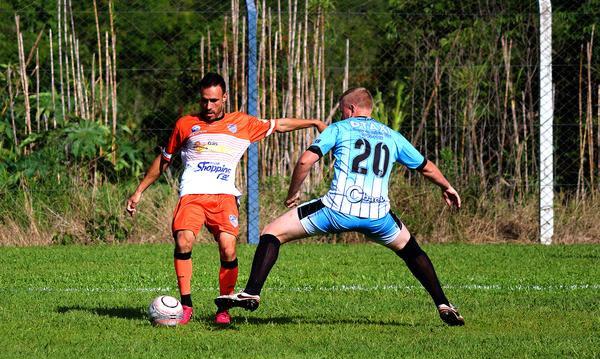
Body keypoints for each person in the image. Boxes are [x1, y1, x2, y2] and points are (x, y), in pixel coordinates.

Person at [215, 87, 465, 326]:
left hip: (336, 210)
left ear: (352, 108)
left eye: (343, 110)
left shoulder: (340, 128)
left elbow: (305, 161)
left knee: (272, 232)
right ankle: (443, 304)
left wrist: (293, 193)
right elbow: (426, 167)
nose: (342, 115)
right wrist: (447, 187)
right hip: (378, 216)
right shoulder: (392, 136)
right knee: (411, 250)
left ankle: (251, 292)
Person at [126, 72, 326, 325]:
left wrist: (314, 122)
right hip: (192, 195)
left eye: (214, 101)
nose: (208, 106)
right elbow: (165, 159)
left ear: (225, 99)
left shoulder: (242, 123)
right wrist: (139, 190)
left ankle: (224, 307)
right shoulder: (186, 124)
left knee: (228, 247)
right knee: (184, 241)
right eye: (204, 101)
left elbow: (279, 125)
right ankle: (185, 306)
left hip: (224, 197)